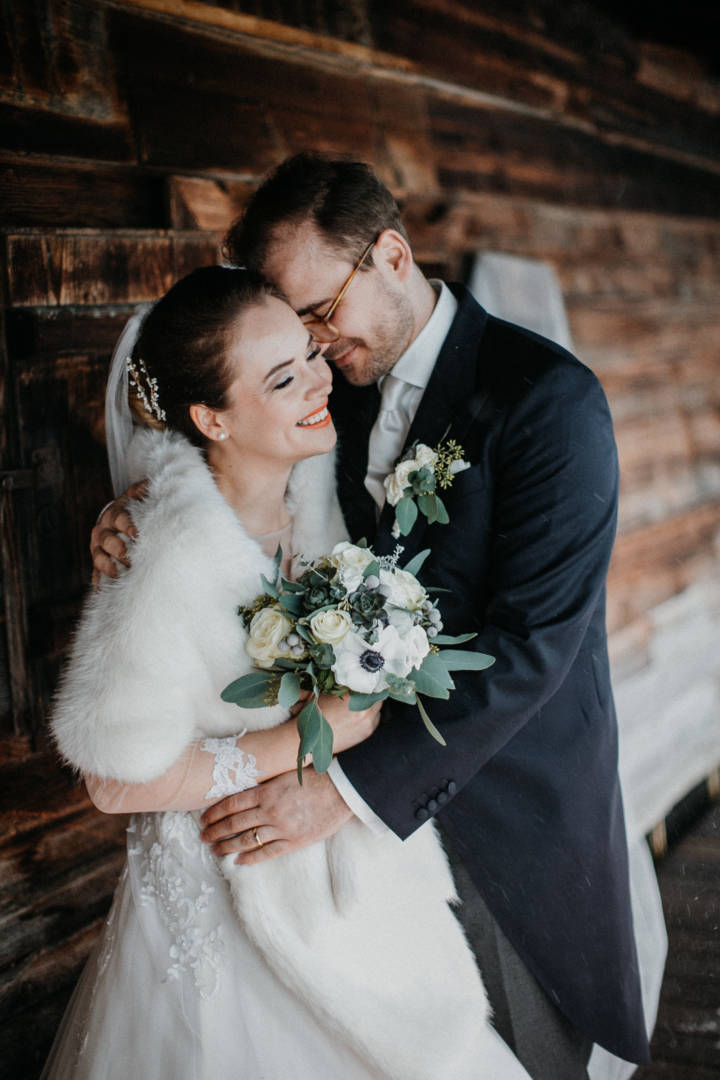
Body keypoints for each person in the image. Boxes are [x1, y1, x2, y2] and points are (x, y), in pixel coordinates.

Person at [91, 155, 652, 1078]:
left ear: (392, 254)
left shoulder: (547, 400)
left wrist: (340, 790)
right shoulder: (320, 394)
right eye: (293, 327)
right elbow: (227, 461)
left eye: (318, 313)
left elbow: (532, 649)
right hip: (348, 859)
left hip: (504, 805)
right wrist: (126, 517)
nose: (312, 345)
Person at [45, 266, 532, 1080]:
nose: (318, 381)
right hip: (231, 901)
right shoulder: (167, 550)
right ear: (211, 418)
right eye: (283, 376)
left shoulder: (315, 493)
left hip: (348, 888)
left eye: (310, 353)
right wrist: (308, 737)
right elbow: (113, 783)